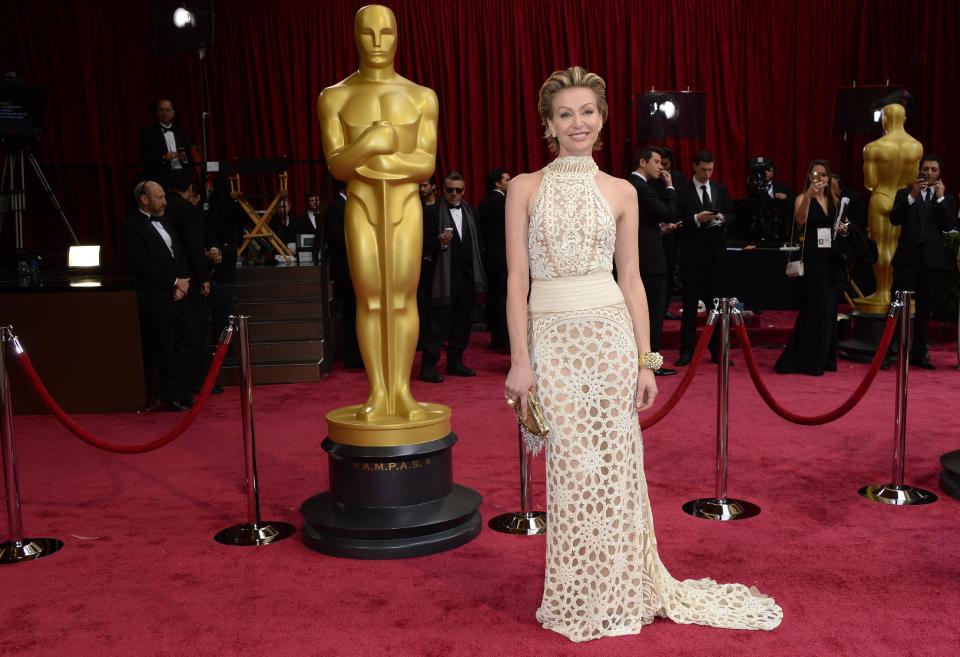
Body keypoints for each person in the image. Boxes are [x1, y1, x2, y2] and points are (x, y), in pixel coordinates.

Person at [503, 66, 782, 642]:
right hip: (552, 341)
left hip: (609, 338)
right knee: (571, 468)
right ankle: (581, 590)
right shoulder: (525, 187)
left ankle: (625, 585)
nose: (577, 122)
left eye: (586, 112)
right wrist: (520, 360)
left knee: (615, 467)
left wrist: (643, 359)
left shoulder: (623, 191)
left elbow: (632, 281)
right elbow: (514, 280)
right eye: (564, 114)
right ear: (548, 125)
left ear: (601, 120)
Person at [122, 181, 200, 411]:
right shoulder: (131, 227)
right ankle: (175, 395)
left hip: (180, 294)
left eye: (164, 195)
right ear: (144, 199)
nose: (165, 201)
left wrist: (183, 283)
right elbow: (142, 265)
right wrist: (173, 284)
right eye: (159, 197)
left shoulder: (166, 221)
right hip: (157, 298)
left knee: (191, 340)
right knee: (165, 349)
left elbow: (179, 254)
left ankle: (174, 391)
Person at [775, 160, 850, 375]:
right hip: (814, 259)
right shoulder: (802, 198)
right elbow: (800, 219)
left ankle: (825, 357)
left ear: (828, 178)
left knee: (829, 309)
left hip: (832, 259)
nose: (820, 179)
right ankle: (808, 359)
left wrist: (844, 229)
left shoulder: (833, 200)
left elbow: (837, 225)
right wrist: (808, 195)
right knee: (814, 306)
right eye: (816, 175)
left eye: (823, 175)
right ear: (809, 177)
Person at [888, 154, 957, 368]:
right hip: (907, 260)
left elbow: (948, 226)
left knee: (925, 310)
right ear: (919, 170)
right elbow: (894, 219)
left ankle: (919, 354)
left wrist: (940, 199)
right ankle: (889, 353)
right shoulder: (904, 193)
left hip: (931, 262)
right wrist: (912, 195)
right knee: (897, 306)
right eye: (925, 169)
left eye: (933, 169)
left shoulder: (947, 198)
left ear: (939, 173)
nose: (928, 172)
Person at [419, 171, 485, 382]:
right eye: (450, 190)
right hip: (442, 278)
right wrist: (438, 241)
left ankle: (455, 362)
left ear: (464, 191)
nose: (454, 194)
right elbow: (419, 245)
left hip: (466, 277)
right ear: (443, 190)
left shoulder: (471, 212)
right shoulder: (431, 213)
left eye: (459, 190)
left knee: (462, 322)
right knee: (437, 324)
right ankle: (428, 366)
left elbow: (477, 243)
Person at [675, 149, 735, 365]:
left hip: (716, 257)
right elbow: (676, 221)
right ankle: (686, 350)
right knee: (690, 305)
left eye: (711, 169)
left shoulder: (720, 189)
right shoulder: (682, 191)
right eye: (703, 169)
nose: (707, 173)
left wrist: (722, 218)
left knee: (716, 306)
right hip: (692, 257)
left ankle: (718, 349)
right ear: (694, 166)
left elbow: (732, 215)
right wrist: (697, 219)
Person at [628, 146, 677, 375]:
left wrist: (656, 228)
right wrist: (669, 186)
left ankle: (638, 364)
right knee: (653, 314)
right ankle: (651, 367)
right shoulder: (642, 188)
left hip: (635, 258)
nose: (661, 167)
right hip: (650, 261)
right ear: (642, 162)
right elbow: (669, 212)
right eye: (657, 162)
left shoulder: (628, 185)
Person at [479, 167, 511, 351]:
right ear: (497, 183)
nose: (510, 181)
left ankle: (497, 339)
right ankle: (505, 342)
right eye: (507, 179)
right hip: (503, 257)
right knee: (504, 298)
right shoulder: (504, 202)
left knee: (495, 297)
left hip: (489, 257)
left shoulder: (483, 203)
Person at [139, 99, 192, 192]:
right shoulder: (148, 133)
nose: (164, 112)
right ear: (157, 113)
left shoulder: (182, 132)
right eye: (161, 110)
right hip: (161, 176)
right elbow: (145, 157)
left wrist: (184, 158)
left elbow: (190, 155)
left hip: (182, 174)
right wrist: (163, 157)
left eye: (167, 110)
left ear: (173, 113)